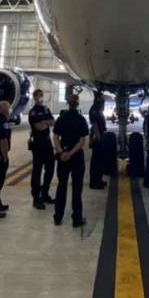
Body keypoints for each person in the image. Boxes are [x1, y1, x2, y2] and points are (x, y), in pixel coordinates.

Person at [52, 94, 89, 227]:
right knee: (77, 189)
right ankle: (77, 219)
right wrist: (71, 153)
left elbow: (55, 137)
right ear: (77, 104)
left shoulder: (61, 118)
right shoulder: (81, 119)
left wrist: (62, 152)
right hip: (76, 157)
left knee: (61, 186)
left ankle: (57, 217)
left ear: (68, 103)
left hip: (63, 158)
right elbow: (82, 141)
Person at [28, 89, 55, 209]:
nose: (40, 97)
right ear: (34, 97)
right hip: (38, 144)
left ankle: (45, 193)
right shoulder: (32, 112)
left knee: (50, 168)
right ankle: (36, 198)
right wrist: (45, 122)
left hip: (47, 143)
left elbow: (53, 122)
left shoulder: (45, 109)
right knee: (37, 171)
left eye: (41, 95)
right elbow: (39, 127)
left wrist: (45, 122)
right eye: (38, 96)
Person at [88, 92, 108, 190]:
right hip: (97, 137)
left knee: (100, 160)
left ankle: (99, 180)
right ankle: (94, 182)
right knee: (96, 161)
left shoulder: (98, 108)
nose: (103, 99)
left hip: (100, 135)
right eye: (102, 97)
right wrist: (97, 136)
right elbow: (95, 124)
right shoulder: (94, 109)